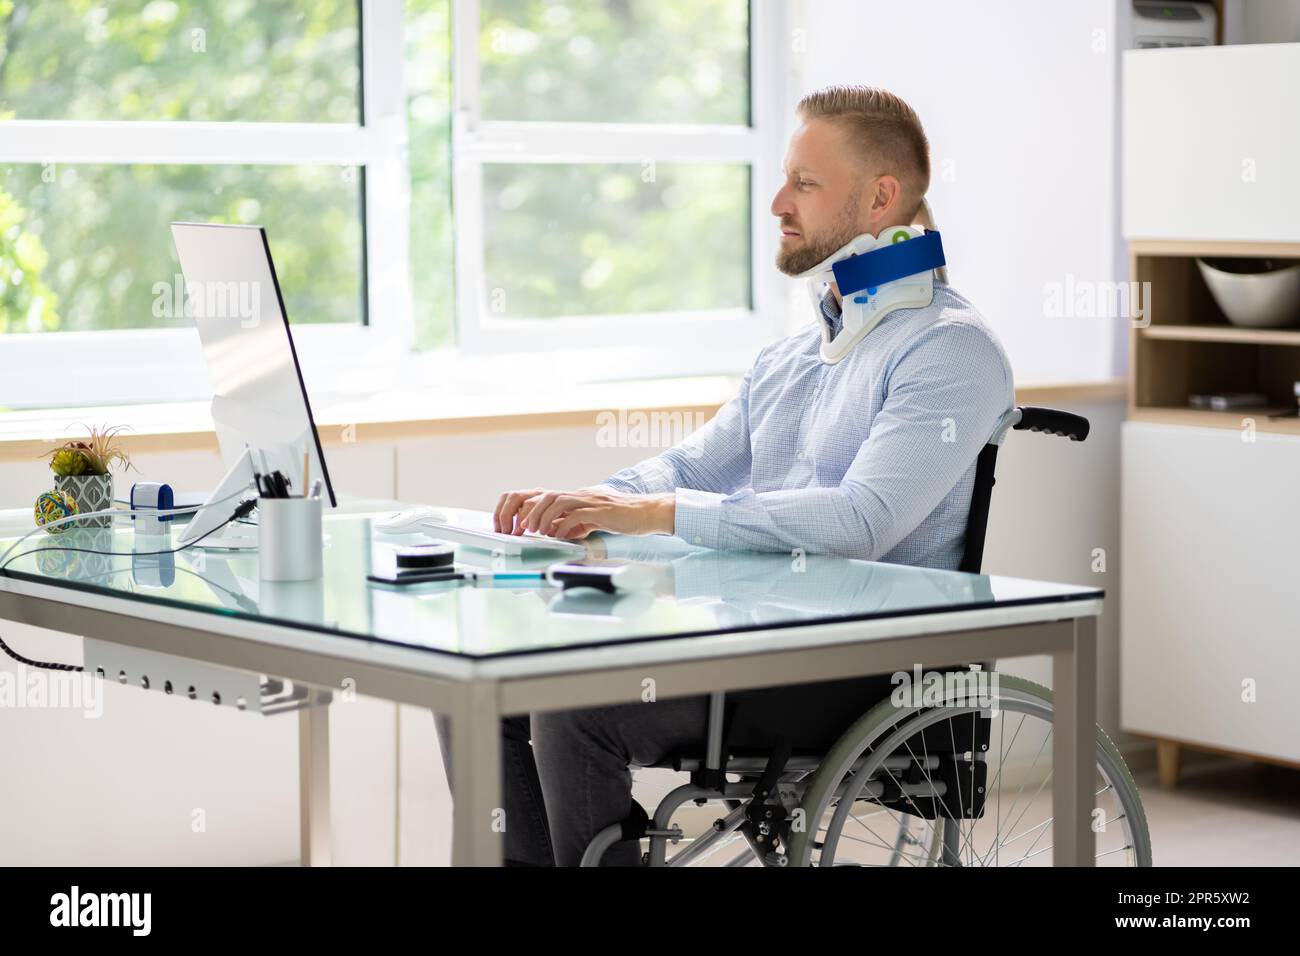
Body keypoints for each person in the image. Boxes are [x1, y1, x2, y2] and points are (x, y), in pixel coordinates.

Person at [439, 84, 1014, 866]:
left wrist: (660, 514)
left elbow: (862, 519)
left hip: (857, 668)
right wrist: (586, 504)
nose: (778, 200)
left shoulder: (950, 350)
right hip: (750, 634)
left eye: (805, 183)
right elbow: (694, 464)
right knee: (480, 685)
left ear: (882, 198)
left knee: (571, 710)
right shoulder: (796, 353)